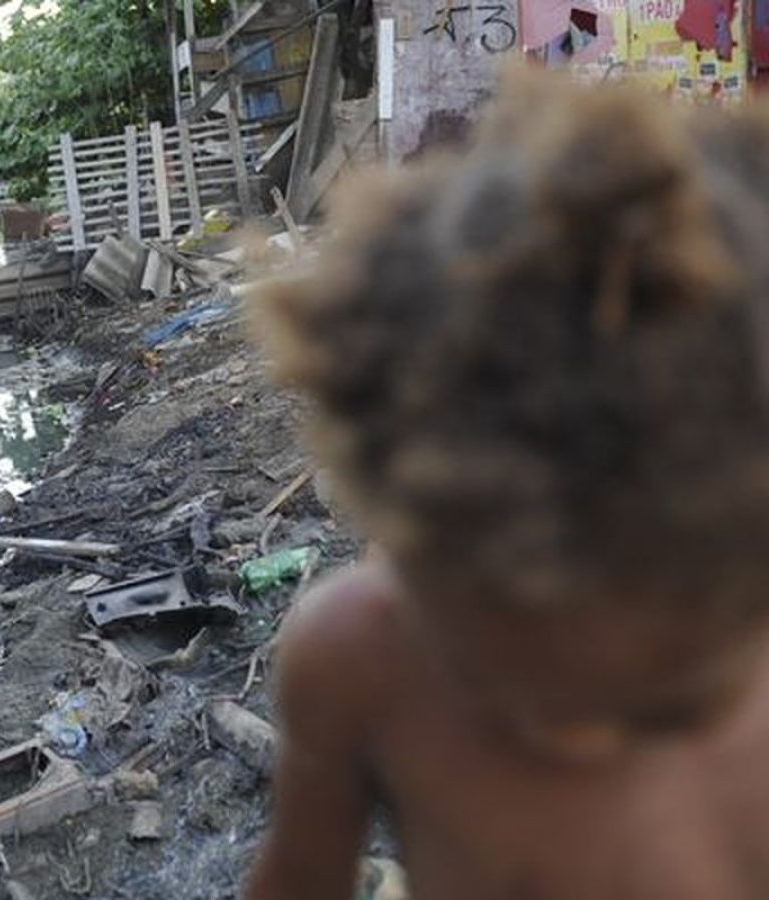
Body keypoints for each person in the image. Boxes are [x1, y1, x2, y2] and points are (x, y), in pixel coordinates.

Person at [244, 69, 769, 899]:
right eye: (498, 680)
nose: (575, 741)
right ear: (403, 540)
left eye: (664, 707)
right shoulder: (357, 661)